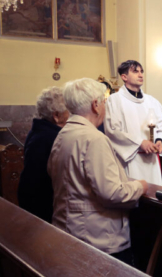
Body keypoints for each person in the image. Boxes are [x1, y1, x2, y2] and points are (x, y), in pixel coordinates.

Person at [48, 78, 148, 266]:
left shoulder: (63, 134)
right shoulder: (94, 139)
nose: (105, 106)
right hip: (97, 238)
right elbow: (112, 193)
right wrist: (140, 186)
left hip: (68, 228)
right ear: (95, 105)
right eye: (104, 102)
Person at [104, 60, 162, 185]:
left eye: (141, 71)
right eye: (135, 72)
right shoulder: (115, 100)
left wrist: (160, 140)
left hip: (152, 160)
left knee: (154, 192)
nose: (140, 75)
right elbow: (113, 130)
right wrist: (140, 142)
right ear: (124, 77)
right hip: (130, 159)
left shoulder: (152, 101)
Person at [18, 87, 70, 223]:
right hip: (42, 207)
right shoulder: (51, 137)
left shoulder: (39, 130)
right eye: (68, 110)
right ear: (56, 115)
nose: (70, 114)